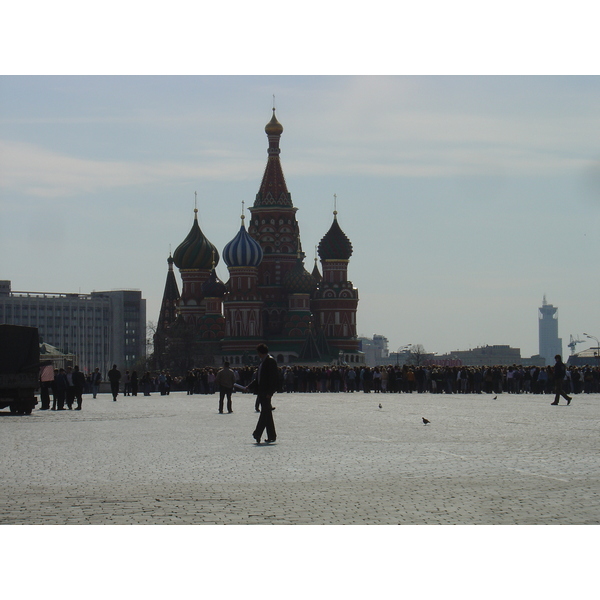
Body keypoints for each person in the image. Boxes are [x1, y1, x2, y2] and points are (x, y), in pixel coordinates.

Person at [247, 343, 279, 444]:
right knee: (267, 414)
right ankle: (272, 436)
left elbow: (273, 378)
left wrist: (270, 392)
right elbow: (259, 379)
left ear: (260, 352)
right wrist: (249, 386)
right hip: (261, 391)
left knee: (264, 413)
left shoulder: (270, 361)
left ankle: (257, 433)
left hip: (266, 392)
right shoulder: (263, 362)